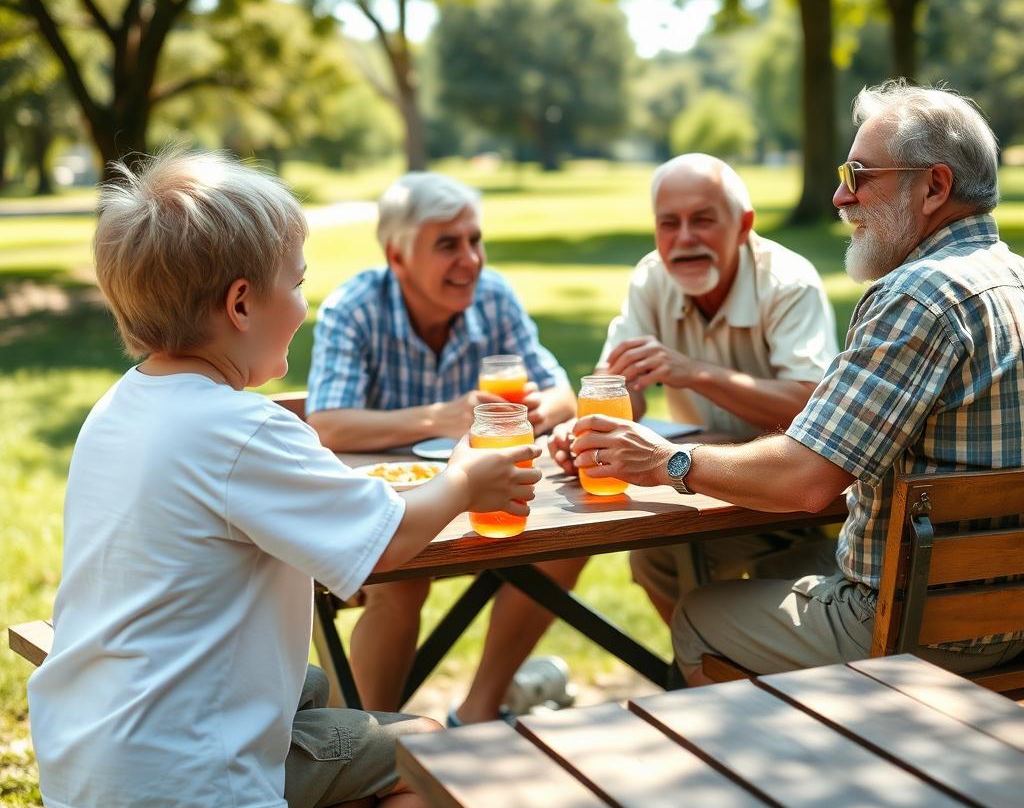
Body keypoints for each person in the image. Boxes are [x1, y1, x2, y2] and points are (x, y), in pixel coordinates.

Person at [28, 151, 540, 808]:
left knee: (309, 690)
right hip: (195, 798)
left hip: (86, 771)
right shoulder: (242, 428)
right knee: (430, 751)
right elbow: (388, 540)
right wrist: (465, 478)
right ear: (242, 304)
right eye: (297, 285)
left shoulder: (117, 409)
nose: (306, 306)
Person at [572, 81, 1024, 684]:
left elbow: (808, 482)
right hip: (1012, 620)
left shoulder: (916, 295)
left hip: (914, 628)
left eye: (860, 174)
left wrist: (668, 463)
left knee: (699, 617)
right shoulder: (1014, 279)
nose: (841, 195)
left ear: (934, 187)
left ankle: (784, 773)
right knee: (676, 564)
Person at [306, 172, 575, 719]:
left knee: (565, 541)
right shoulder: (354, 308)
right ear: (398, 256)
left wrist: (546, 409)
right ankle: (370, 750)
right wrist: (442, 416)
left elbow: (563, 390)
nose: (470, 260)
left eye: (474, 240)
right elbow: (328, 423)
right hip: (389, 514)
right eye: (447, 245)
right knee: (404, 583)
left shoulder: (494, 296)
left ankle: (478, 708)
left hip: (483, 504)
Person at [547, 153, 839, 625]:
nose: (684, 239)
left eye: (702, 221)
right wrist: (590, 429)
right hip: (696, 483)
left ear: (743, 225)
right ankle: (707, 675)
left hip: (784, 487)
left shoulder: (788, 282)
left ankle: (715, 675)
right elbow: (618, 388)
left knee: (674, 562)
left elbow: (814, 405)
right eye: (669, 224)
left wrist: (694, 371)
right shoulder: (651, 277)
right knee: (656, 561)